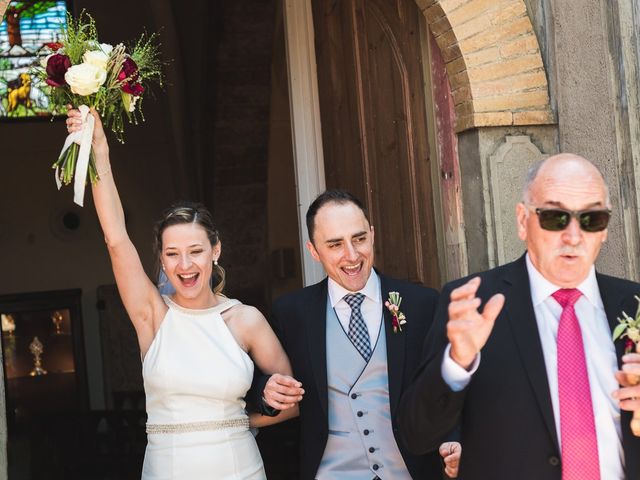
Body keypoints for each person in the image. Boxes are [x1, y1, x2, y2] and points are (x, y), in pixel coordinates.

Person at [66, 108, 298, 479]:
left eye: (195, 251)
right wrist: (100, 153)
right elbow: (116, 238)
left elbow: (290, 404)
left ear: (215, 250)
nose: (185, 265)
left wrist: (238, 423)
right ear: (161, 258)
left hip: (240, 468)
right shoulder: (153, 316)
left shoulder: (246, 320)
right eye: (172, 254)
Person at [398, 153, 640, 479]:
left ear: (605, 229)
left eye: (591, 219)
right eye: (555, 217)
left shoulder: (634, 304)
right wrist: (456, 362)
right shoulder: (474, 304)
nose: (573, 235)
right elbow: (416, 435)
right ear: (522, 220)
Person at [257, 190, 461, 479]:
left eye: (359, 238)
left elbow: (447, 386)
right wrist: (266, 390)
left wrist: (454, 440)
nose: (352, 255)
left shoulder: (422, 304)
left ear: (372, 234)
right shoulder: (292, 313)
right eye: (335, 244)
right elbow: (258, 383)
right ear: (313, 251)